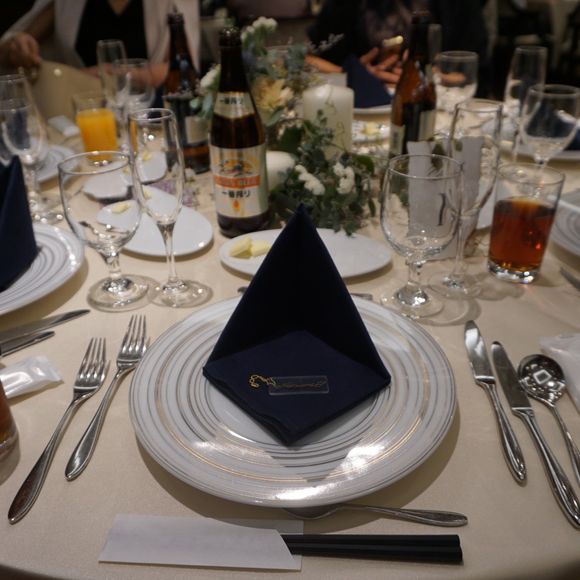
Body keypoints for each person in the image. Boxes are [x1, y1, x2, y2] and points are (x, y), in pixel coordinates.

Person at [308, 0, 492, 97]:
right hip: (362, 108)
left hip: (432, 107)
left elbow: (474, 73)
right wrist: (356, 76)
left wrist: (425, 78)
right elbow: (306, 60)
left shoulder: (456, 5)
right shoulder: (345, 4)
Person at [0, 0, 201, 86]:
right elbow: (10, 49)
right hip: (78, 120)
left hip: (150, 117)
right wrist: (16, 47)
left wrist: (113, 75)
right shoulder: (66, 3)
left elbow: (184, 69)